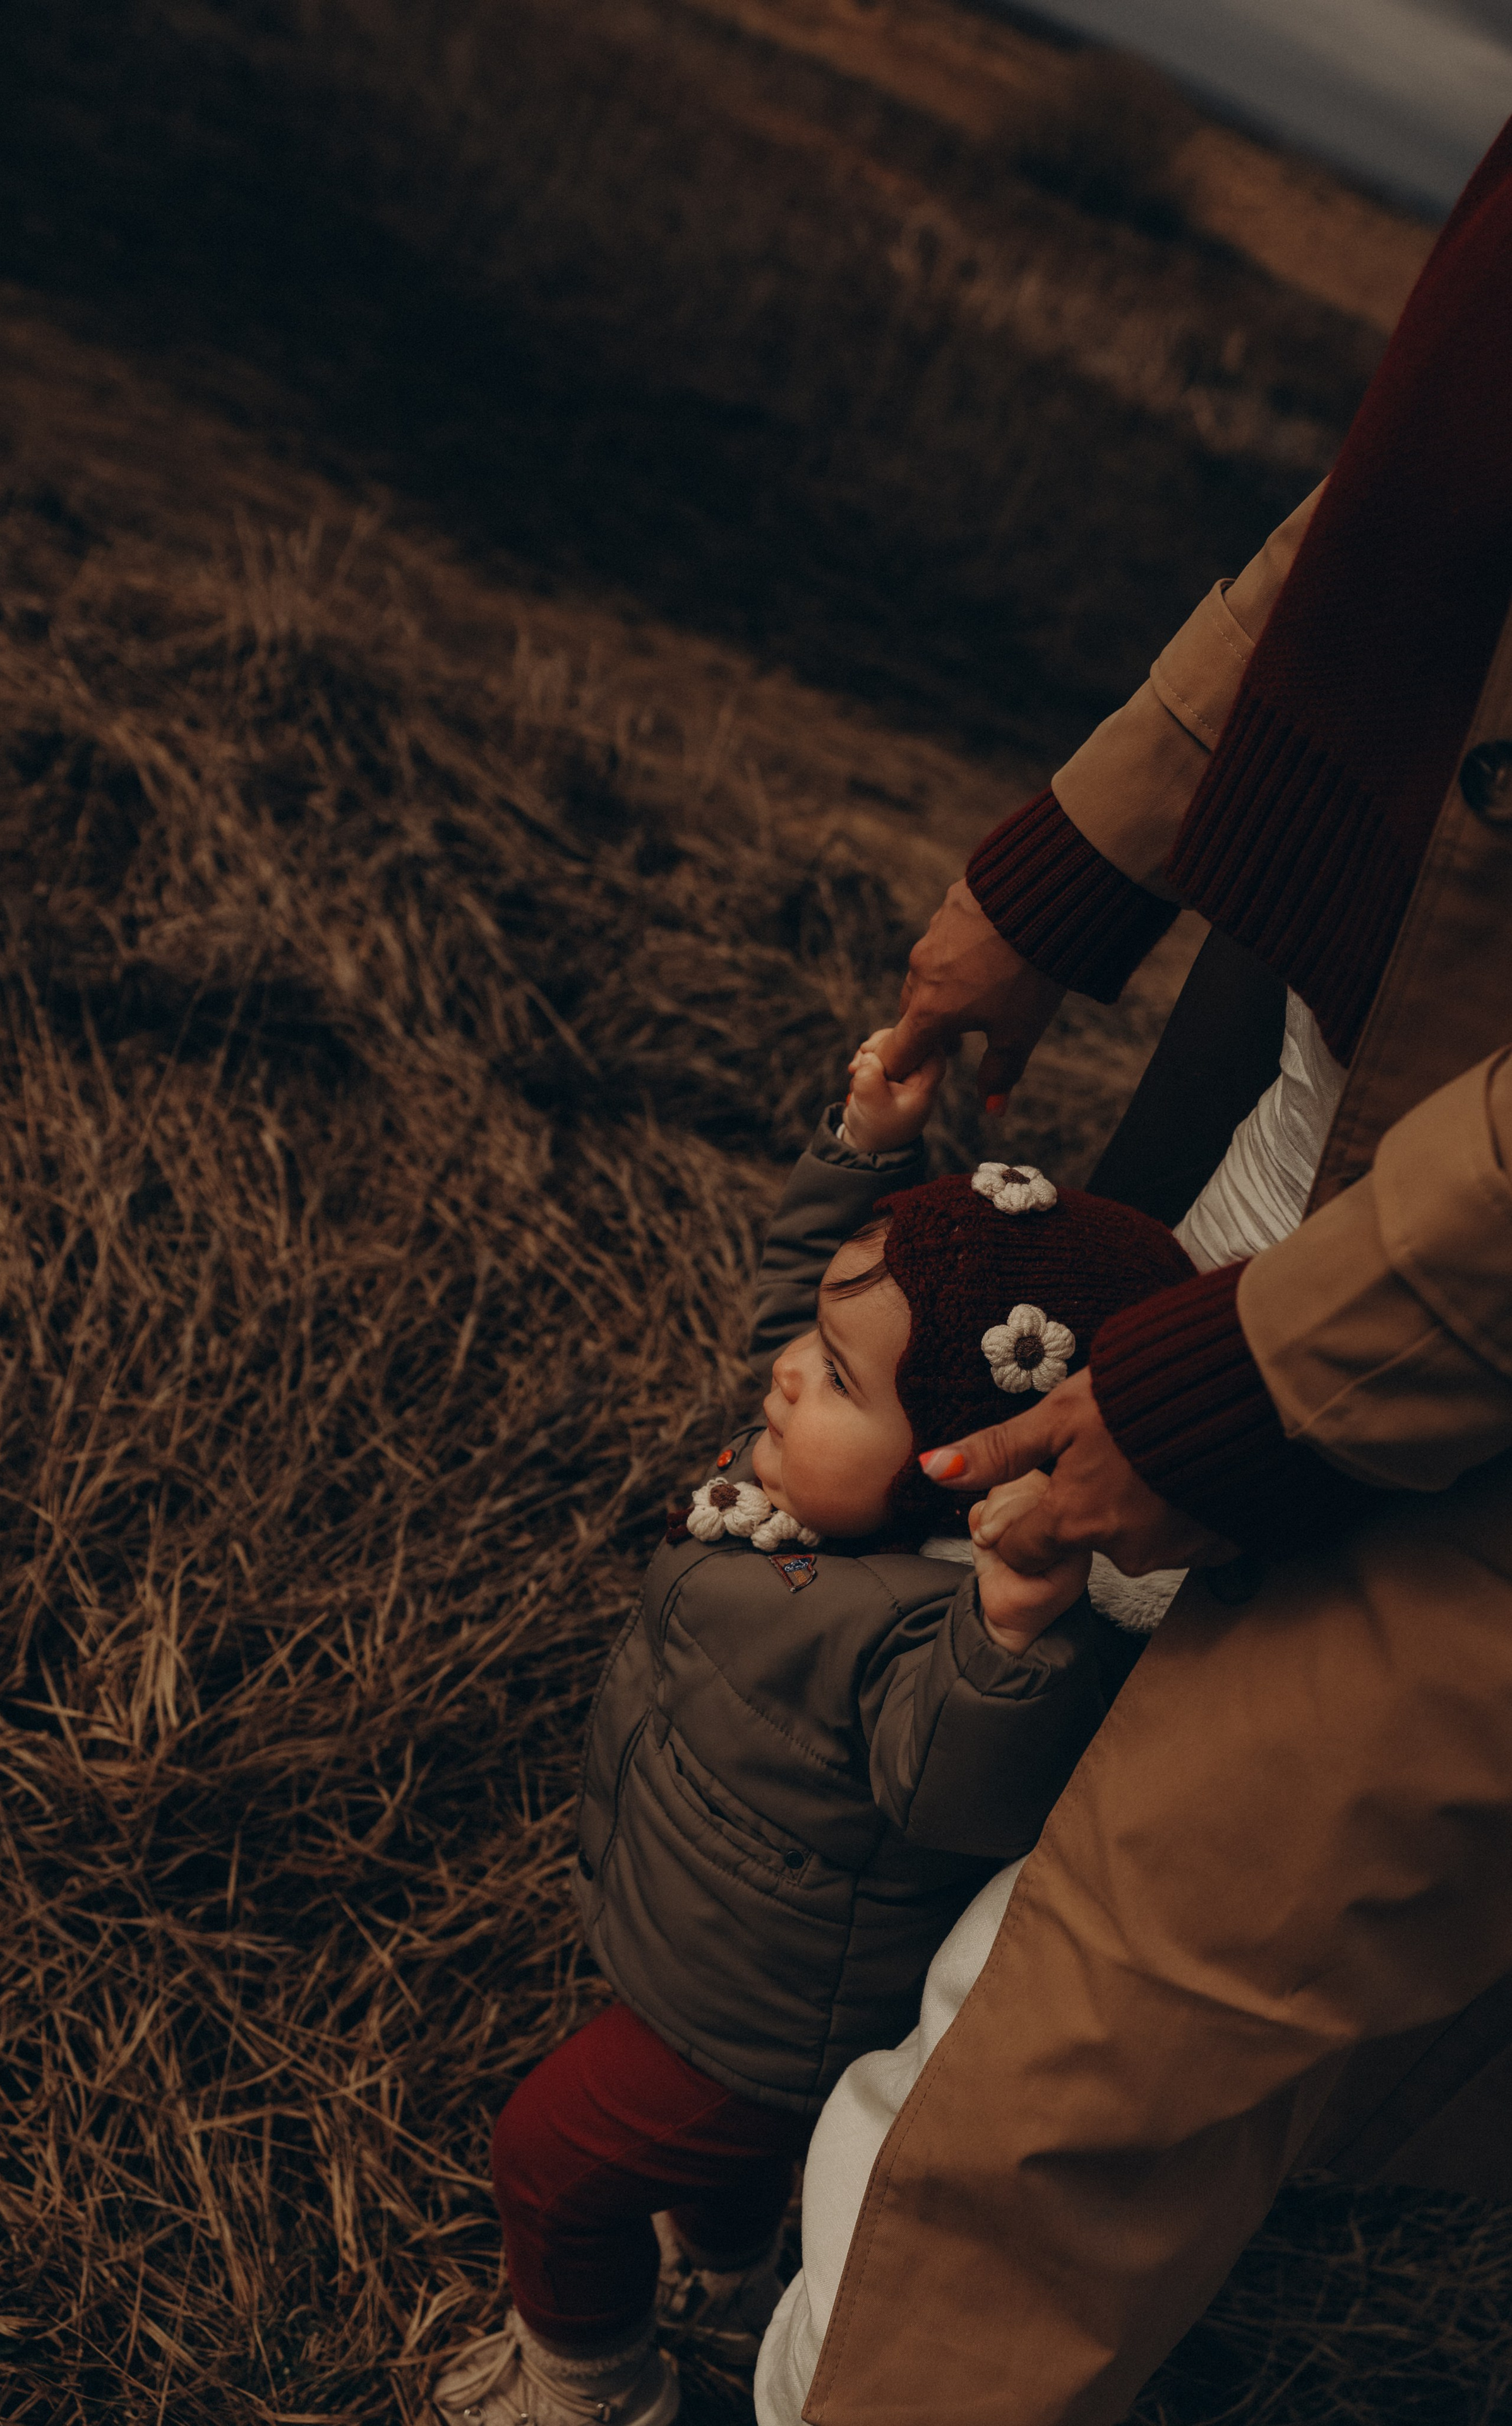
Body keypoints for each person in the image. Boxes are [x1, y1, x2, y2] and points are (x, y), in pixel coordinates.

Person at [756, 111, 1512, 2426]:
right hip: (1375, 1043)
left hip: (1462, 1277)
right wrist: (1070, 869)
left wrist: (1274, 1386)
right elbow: (1409, 515)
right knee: (1112, 1773)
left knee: (1068, 2063)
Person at [431, 1045, 1196, 2425]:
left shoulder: (940, 1623)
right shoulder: (833, 1477)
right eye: (816, 1357)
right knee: (716, 2170)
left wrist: (1011, 1630)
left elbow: (954, 1792)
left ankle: (589, 2387)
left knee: (547, 2156)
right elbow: (813, 1303)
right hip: (708, 1928)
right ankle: (725, 2270)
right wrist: (862, 1147)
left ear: (962, 1467)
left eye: (835, 1380)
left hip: (760, 2007)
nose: (783, 1377)